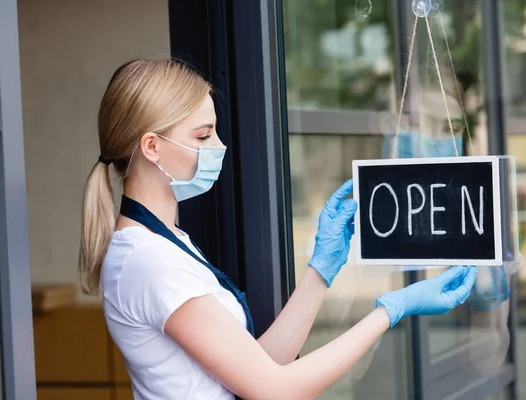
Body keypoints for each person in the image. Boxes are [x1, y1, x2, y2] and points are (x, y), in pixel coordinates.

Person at [78, 58, 478, 400]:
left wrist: (320, 272)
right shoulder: (150, 261)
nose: (219, 145)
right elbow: (274, 389)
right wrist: (391, 310)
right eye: (203, 135)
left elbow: (260, 363)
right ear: (151, 147)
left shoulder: (166, 243)